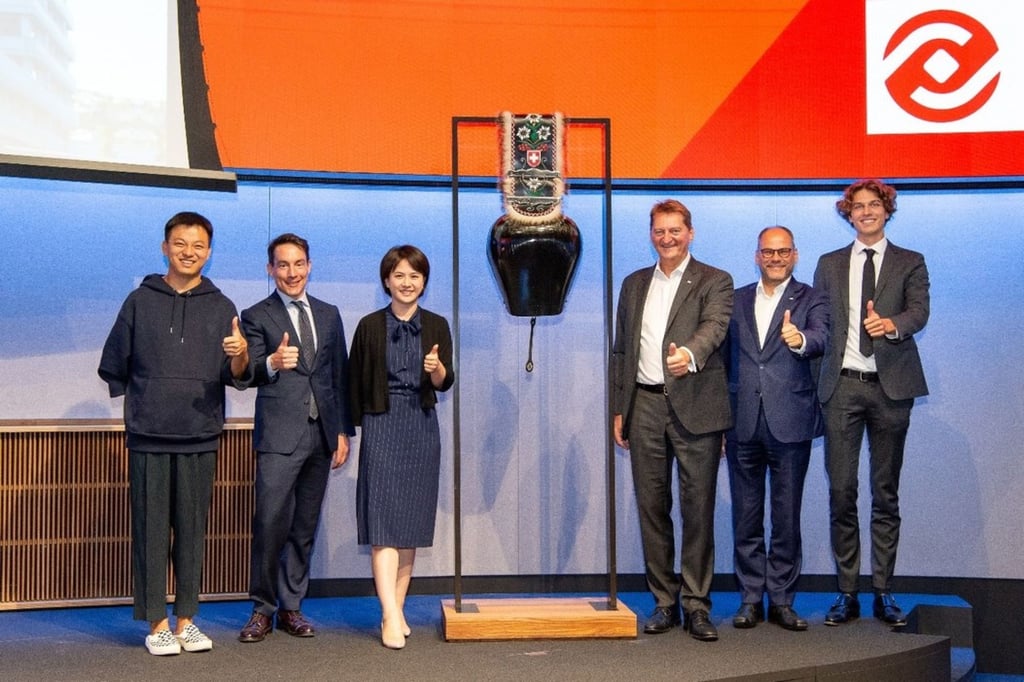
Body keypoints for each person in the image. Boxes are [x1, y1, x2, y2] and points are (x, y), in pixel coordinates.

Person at [98, 211, 252, 656]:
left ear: (209, 251)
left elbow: (237, 374)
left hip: (200, 435)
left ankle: (186, 620)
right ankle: (157, 623)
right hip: (148, 434)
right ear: (165, 247)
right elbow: (114, 363)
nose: (189, 252)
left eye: (199, 245)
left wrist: (241, 355)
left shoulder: (222, 306)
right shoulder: (139, 300)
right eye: (181, 243)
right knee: (150, 532)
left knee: (192, 531)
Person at [610, 199, 733, 641]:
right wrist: (619, 408)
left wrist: (690, 355)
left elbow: (715, 327)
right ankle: (664, 601)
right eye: (660, 231)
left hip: (697, 406)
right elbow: (621, 350)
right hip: (643, 406)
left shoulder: (715, 280)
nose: (667, 238)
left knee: (697, 509)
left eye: (675, 231)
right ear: (652, 234)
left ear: (690, 232)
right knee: (652, 508)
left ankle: (697, 605)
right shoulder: (633, 284)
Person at [813, 179, 929, 627]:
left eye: (873, 205)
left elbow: (920, 312)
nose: (866, 212)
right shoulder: (828, 264)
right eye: (857, 206)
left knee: (886, 493)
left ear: (887, 210)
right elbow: (820, 321)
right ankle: (847, 592)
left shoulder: (910, 262)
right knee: (841, 493)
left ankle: (883, 591)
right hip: (840, 388)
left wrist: (891, 325)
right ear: (848, 214)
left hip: (891, 389)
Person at [237, 233, 355, 643]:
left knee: (304, 526)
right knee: (270, 523)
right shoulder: (256, 315)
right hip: (279, 435)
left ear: (310, 265)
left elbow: (338, 375)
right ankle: (261, 610)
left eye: (299, 263)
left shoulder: (328, 313)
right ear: (270, 269)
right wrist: (270, 361)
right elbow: (244, 372)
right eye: (283, 265)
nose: (292, 272)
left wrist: (342, 430)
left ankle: (291, 607)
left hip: (321, 435)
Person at [349, 245, 454, 650]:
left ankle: (396, 608)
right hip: (382, 423)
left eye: (414, 276)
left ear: (423, 282)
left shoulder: (438, 325)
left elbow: (447, 382)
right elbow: (354, 381)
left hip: (422, 426)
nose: (407, 283)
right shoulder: (369, 325)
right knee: (383, 525)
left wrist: (437, 369)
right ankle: (391, 615)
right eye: (399, 276)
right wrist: (347, 433)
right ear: (387, 281)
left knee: (408, 526)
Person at [724, 226, 829, 632]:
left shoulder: (813, 298)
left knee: (786, 519)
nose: (775, 258)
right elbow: (723, 360)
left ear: (795, 255)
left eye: (783, 251)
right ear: (757, 256)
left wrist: (799, 338)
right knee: (746, 518)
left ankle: (783, 600)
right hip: (742, 423)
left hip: (791, 422)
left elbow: (821, 337)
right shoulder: (736, 300)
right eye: (768, 252)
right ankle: (751, 598)